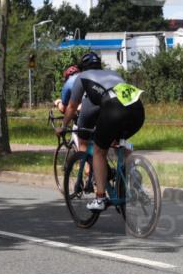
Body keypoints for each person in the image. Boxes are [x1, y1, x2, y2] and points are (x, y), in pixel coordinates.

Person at [58, 51, 145, 211]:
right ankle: (134, 179)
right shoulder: (113, 73)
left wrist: (63, 126)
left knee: (98, 151)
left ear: (82, 68)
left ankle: (100, 198)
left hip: (114, 109)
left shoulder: (81, 77)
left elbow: (71, 107)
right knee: (120, 142)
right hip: (137, 109)